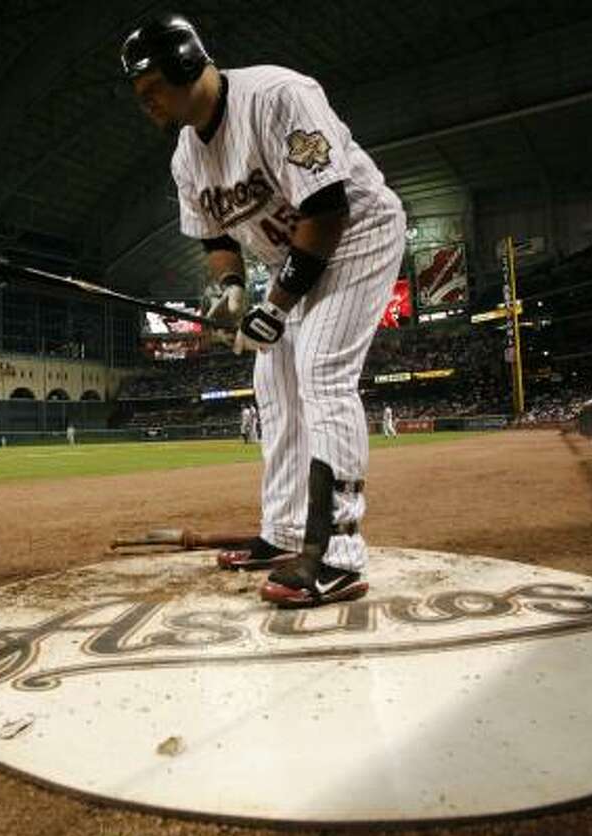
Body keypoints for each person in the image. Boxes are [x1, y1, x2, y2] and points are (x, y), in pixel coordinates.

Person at [122, 14, 406, 607]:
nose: (145, 105)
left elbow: (328, 208)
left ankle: (339, 554)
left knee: (322, 372)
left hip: (356, 235)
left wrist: (274, 306)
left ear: (184, 65)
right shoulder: (185, 158)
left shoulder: (278, 96)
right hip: (288, 260)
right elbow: (215, 238)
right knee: (274, 388)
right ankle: (283, 533)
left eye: (152, 90)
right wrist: (231, 292)